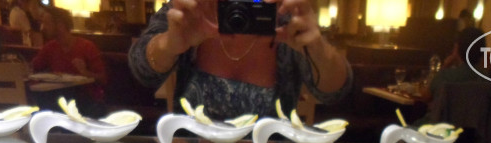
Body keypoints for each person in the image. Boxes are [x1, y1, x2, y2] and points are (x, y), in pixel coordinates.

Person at [128, 0, 352, 121]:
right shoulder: (193, 10)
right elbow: (141, 70)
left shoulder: (289, 19)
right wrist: (169, 44)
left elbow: (335, 93)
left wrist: (317, 48)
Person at [31, 6, 107, 116]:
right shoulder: (49, 48)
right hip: (60, 100)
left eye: (47, 24)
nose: (43, 28)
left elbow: (103, 79)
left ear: (60, 25)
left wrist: (85, 72)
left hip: (87, 101)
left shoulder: (86, 46)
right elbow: (34, 67)